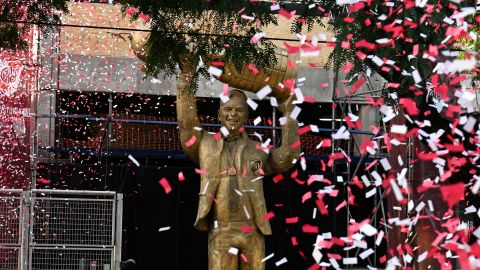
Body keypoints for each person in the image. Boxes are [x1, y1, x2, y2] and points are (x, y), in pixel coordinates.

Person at [176, 57, 300, 270]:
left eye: (239, 110)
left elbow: (287, 157)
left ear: (246, 116)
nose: (233, 114)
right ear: (219, 115)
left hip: (253, 230)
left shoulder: (257, 150)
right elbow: (187, 122)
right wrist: (187, 76)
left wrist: (290, 113)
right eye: (228, 109)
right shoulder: (204, 144)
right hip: (221, 230)